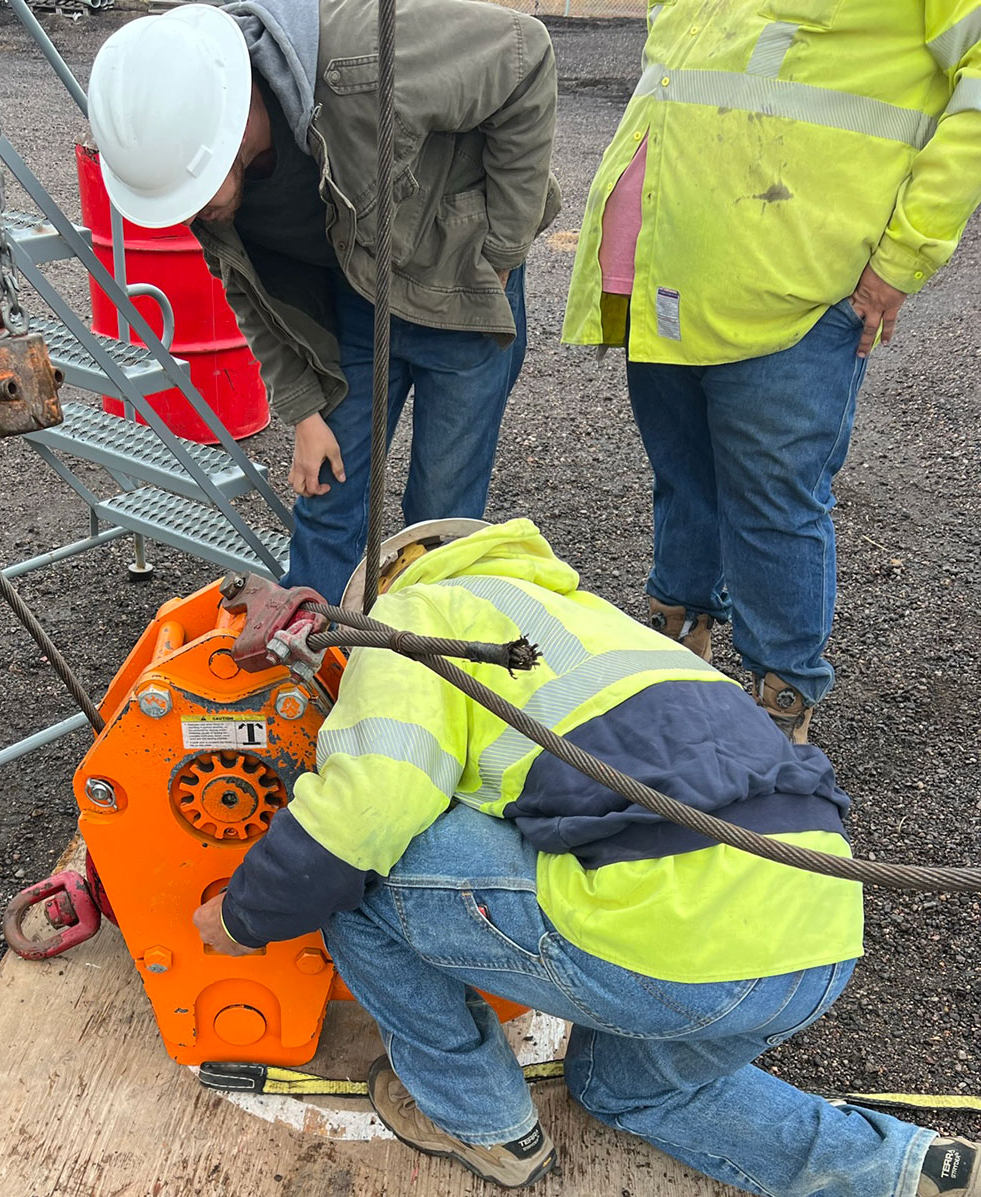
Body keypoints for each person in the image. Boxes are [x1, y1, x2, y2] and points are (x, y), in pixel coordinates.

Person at [192, 517, 977, 1193]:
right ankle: (910, 1167)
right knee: (616, 1086)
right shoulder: (589, 618)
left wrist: (244, 914)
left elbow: (365, 811)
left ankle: (483, 1123)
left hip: (680, 933)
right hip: (819, 938)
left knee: (356, 875)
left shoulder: (416, 613)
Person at [561, 1, 981, 743]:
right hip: (662, 275)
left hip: (796, 291)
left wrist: (904, 256)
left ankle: (780, 707)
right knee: (684, 477)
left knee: (773, 502)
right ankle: (675, 642)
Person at [87, 0, 560, 605]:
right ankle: (314, 649)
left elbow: (526, 54)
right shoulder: (196, 168)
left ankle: (427, 649)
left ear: (231, 125)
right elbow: (248, 292)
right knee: (327, 492)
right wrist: (304, 415)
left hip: (462, 288)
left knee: (438, 510)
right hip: (356, 300)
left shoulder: (361, 58)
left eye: (193, 197)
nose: (189, 216)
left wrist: (501, 248)